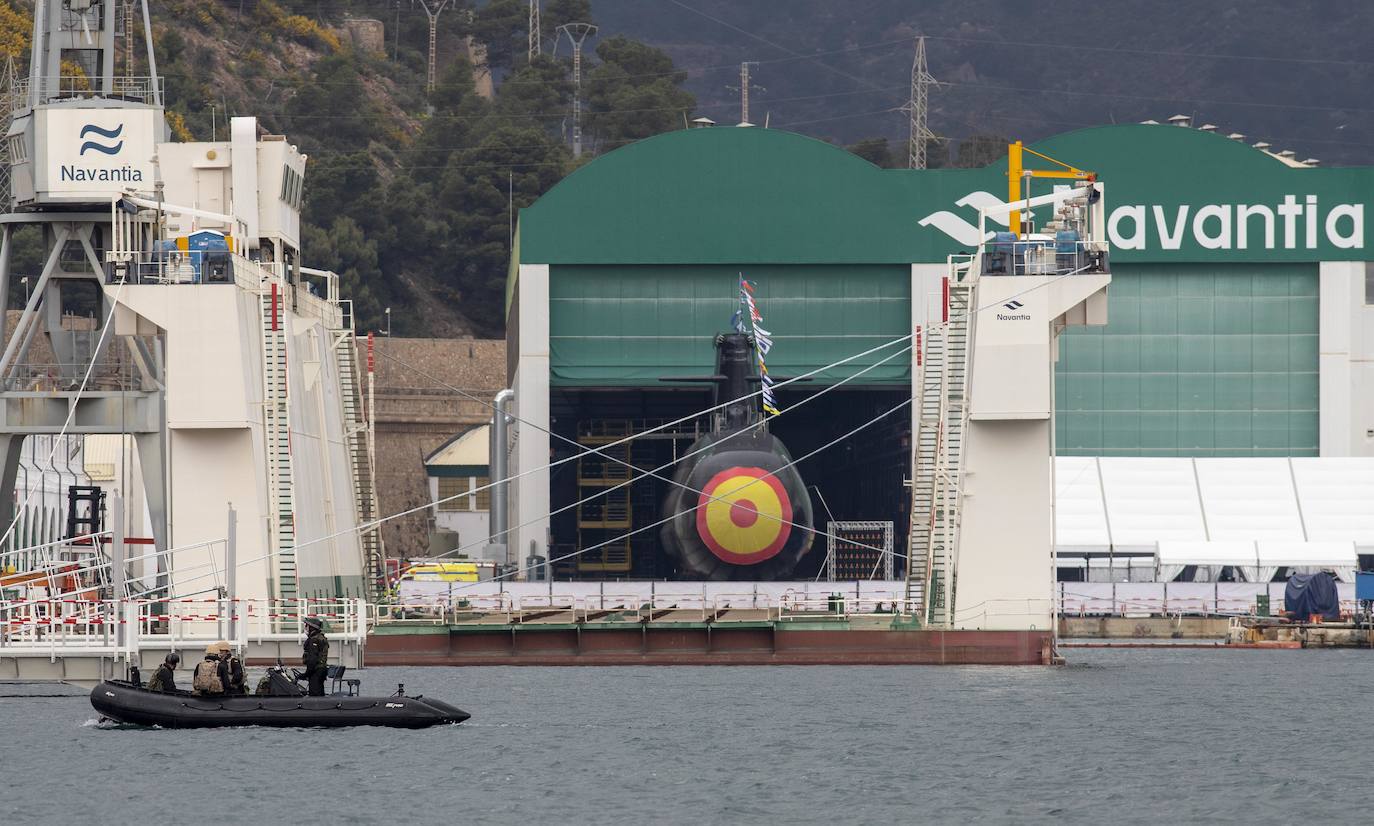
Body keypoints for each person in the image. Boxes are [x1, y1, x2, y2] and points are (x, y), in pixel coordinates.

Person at [300, 616, 330, 697]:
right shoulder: (320, 637)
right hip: (321, 670)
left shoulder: (314, 640)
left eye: (307, 626)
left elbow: (312, 659)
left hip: (316, 671)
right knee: (319, 692)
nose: (305, 628)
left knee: (315, 694)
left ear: (312, 628)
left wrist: (306, 674)